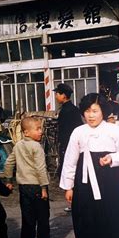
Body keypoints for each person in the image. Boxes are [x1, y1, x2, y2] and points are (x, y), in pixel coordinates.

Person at [60, 93, 119, 238]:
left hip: (110, 182)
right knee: (87, 221)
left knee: (115, 216)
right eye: (87, 111)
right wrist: (68, 186)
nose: (91, 115)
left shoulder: (113, 130)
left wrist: (113, 158)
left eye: (95, 111)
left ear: (103, 111)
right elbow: (70, 160)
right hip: (84, 183)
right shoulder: (79, 132)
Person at [4, 117, 53, 238]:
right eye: (37, 129)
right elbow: (40, 168)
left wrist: (8, 180)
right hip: (37, 186)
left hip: (24, 188)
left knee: (28, 218)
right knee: (43, 216)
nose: (41, 132)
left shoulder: (18, 145)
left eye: (40, 128)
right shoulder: (37, 147)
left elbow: (8, 163)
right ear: (26, 132)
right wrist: (44, 187)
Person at [54, 83, 83, 212]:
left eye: (57, 93)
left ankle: (74, 203)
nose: (55, 96)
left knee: (70, 172)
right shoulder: (73, 109)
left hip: (68, 145)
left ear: (63, 96)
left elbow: (66, 131)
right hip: (73, 144)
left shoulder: (66, 111)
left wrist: (62, 145)